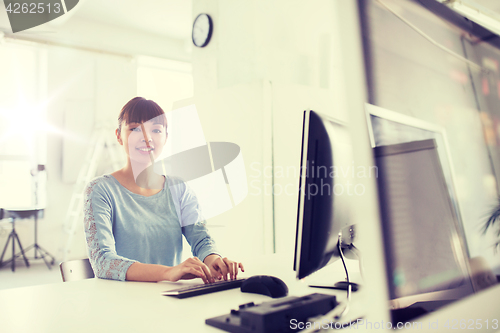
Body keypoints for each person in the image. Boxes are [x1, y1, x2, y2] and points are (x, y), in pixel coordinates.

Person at [83, 97, 243, 283]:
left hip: (168, 299)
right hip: (120, 302)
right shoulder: (100, 190)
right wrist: (169, 273)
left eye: (156, 130)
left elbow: (201, 240)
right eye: (135, 128)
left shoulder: (179, 189)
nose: (146, 137)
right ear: (119, 135)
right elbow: (103, 262)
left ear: (166, 137)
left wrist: (213, 260)